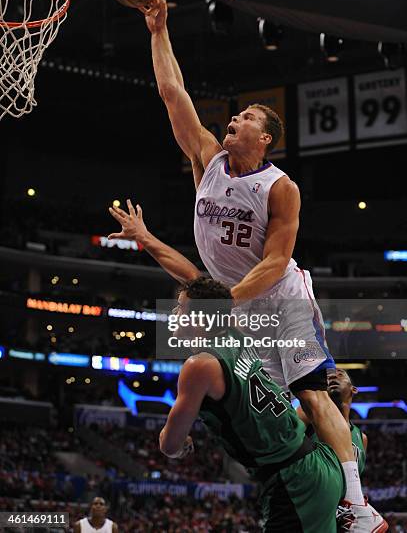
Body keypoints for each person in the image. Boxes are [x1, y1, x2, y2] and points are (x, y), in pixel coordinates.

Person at [139, 0, 386, 531]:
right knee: (280, 414)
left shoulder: (281, 187)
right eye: (236, 114)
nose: (234, 119)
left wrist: (221, 303)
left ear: (266, 138)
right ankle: (314, 488)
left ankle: (359, 506)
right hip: (239, 308)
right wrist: (158, 29)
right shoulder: (207, 158)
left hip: (281, 299)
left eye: (247, 117)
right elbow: (171, 92)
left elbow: (275, 262)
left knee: (312, 397)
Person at [108, 201, 386, 532]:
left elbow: (169, 445)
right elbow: (194, 280)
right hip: (320, 460)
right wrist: (145, 238)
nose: (175, 314)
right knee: (335, 427)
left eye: (181, 309)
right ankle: (351, 486)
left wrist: (178, 443)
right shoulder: (233, 332)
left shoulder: (199, 365)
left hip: (296, 481)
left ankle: (357, 510)